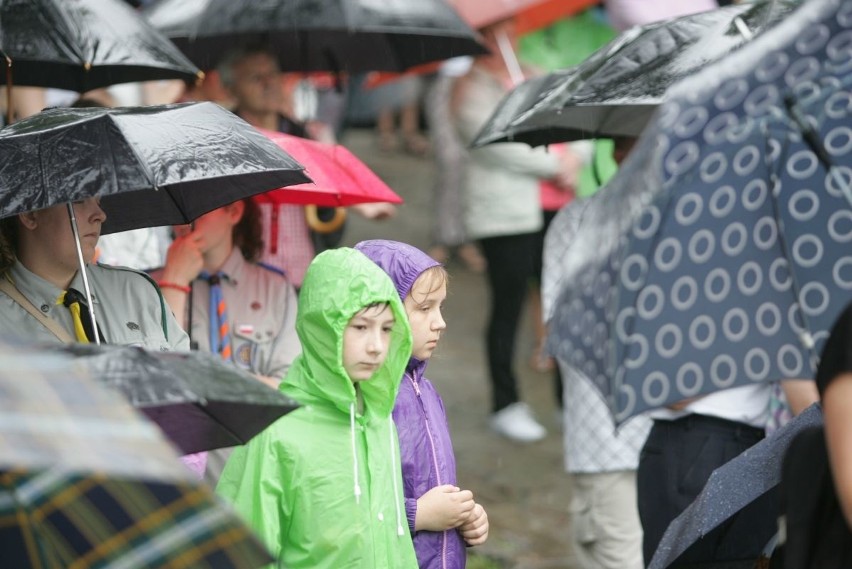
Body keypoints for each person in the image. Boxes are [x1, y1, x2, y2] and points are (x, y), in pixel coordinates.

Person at [216, 247, 418, 568]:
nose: (377, 346)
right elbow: (243, 554)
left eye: (387, 329)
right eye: (361, 327)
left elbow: (392, 541)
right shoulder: (274, 432)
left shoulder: (378, 419)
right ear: (323, 329)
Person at [452, 17, 578, 443]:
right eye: (493, 31)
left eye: (507, 28)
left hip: (556, 207)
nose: (503, 37)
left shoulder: (531, 74)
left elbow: (572, 114)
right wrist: (553, 164)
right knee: (508, 305)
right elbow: (491, 141)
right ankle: (505, 403)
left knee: (561, 303)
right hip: (506, 214)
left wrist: (574, 157)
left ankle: (568, 403)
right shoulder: (470, 88)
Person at [355, 239, 489, 568]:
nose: (440, 322)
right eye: (425, 308)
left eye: (440, 307)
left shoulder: (426, 391)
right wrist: (417, 515)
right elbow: (346, 511)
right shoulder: (364, 399)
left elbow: (433, 486)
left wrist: (467, 516)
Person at [151, 198, 301, 483]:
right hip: (181, 468)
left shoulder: (274, 287)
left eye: (196, 207)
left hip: (255, 467)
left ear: (233, 211)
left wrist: (214, 380)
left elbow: (291, 387)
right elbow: (156, 378)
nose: (183, 220)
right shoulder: (148, 284)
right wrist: (174, 282)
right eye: (176, 207)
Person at [0, 198, 188, 351]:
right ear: (30, 214)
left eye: (98, 201)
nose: (100, 215)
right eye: (79, 199)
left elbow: (189, 386)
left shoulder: (137, 292)